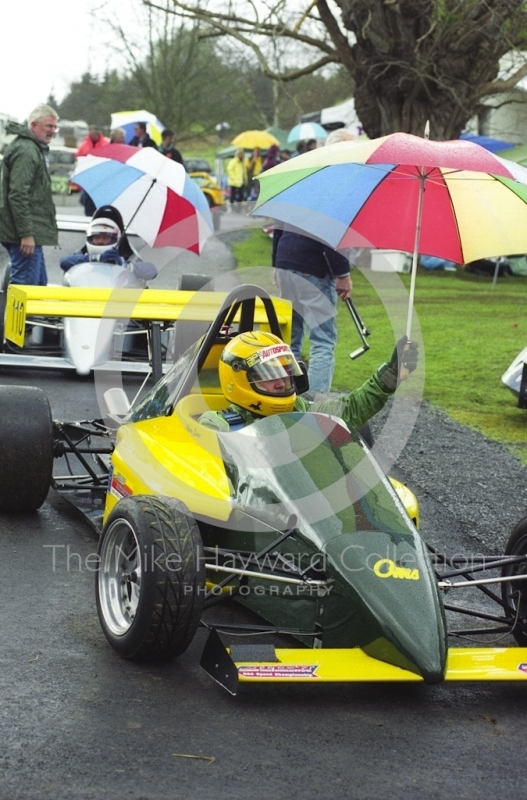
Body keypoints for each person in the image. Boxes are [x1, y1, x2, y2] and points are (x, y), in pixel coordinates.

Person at [198, 331, 418, 432]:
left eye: (285, 373)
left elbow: (350, 410)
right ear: (238, 380)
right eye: (269, 376)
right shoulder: (218, 426)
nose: (282, 384)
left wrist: (388, 377)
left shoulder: (300, 409)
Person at [273, 229, 352, 392]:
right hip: (312, 268)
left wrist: (277, 263)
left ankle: (288, 395)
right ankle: (315, 404)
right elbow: (330, 233)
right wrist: (342, 273)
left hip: (285, 263)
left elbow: (278, 226)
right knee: (323, 341)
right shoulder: (331, 202)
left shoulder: (294, 201)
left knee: (290, 340)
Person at [0, 104, 59, 285]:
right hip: (22, 234)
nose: (53, 131)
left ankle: (27, 314)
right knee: (26, 287)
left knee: (38, 287)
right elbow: (17, 194)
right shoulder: (26, 150)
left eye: (55, 127)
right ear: (34, 125)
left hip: (25, 232)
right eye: (49, 126)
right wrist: (26, 234)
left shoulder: (32, 148)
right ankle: (15, 315)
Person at [60, 205, 157, 280]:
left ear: (117, 237)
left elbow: (152, 271)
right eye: (97, 237)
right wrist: (96, 258)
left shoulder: (126, 253)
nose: (101, 241)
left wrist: (125, 265)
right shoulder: (82, 254)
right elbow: (64, 262)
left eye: (106, 237)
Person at [75, 126, 109, 217]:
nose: (95, 134)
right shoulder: (83, 145)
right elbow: (78, 159)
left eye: (97, 131)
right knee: (88, 205)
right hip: (88, 179)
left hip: (101, 179)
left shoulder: (106, 144)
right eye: (93, 132)